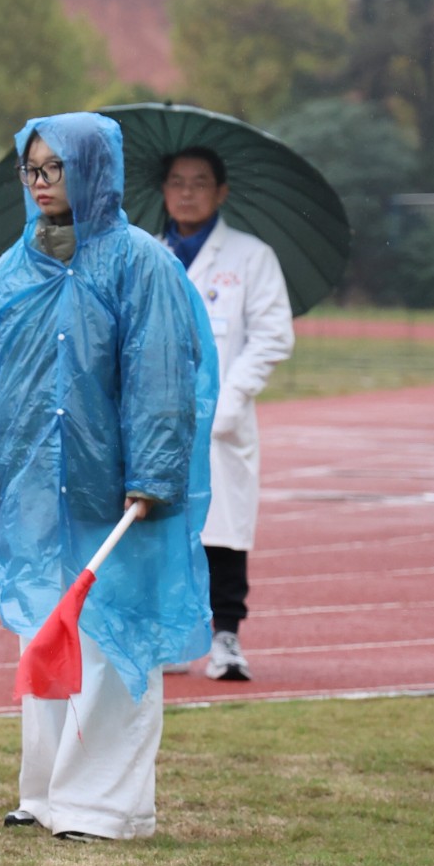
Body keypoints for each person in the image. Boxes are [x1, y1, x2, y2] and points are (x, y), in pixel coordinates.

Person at [0, 113, 216, 842]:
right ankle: (47, 792)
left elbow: (163, 380)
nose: (41, 182)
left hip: (114, 496)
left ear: (95, 170)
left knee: (112, 642)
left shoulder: (141, 265)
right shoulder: (12, 269)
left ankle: (103, 806)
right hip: (28, 494)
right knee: (44, 639)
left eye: (55, 168)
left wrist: (153, 475)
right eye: (32, 169)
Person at [161, 145, 294, 682]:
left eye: (199, 182)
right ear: (163, 191)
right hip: (159, 420)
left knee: (223, 531)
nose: (187, 192)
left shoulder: (250, 257)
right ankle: (171, 637)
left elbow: (271, 336)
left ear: (221, 191)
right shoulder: (144, 254)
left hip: (221, 423)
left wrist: (230, 398)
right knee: (163, 529)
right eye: (176, 181)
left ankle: (226, 639)